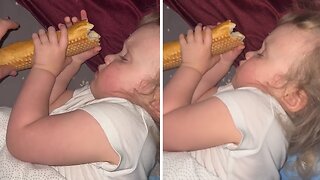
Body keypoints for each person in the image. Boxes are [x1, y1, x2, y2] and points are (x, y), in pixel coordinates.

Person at [164, 10, 320, 179]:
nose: (249, 53)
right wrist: (221, 64)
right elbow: (192, 105)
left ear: (292, 96)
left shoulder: (252, 110)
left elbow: (166, 130)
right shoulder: (257, 111)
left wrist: (191, 67)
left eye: (261, 54)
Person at [6, 10, 160, 180]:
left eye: (124, 58)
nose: (109, 56)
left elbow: (21, 141)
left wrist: (44, 69)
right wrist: (71, 61)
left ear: (157, 101)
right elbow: (46, 108)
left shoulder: (125, 124)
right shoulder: (98, 99)